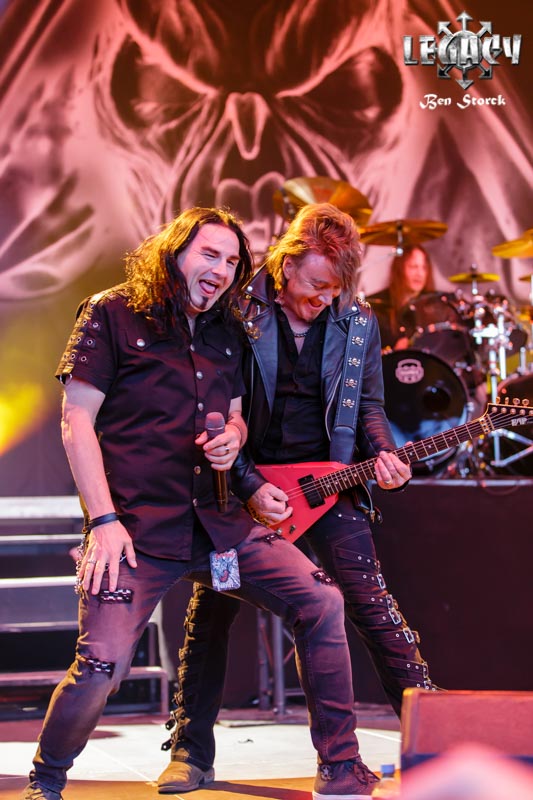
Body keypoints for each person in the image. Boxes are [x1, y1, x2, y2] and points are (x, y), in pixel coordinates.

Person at [23, 207, 396, 800]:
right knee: (101, 667)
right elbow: (76, 421)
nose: (221, 270)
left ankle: (340, 765)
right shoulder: (111, 312)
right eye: (209, 254)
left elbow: (238, 416)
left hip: (220, 525)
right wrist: (104, 521)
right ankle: (46, 778)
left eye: (231, 260)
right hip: (137, 529)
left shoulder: (227, 329)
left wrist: (235, 442)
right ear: (174, 251)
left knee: (322, 600)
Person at [157, 203, 436, 795]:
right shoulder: (237, 310)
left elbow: (369, 406)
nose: (323, 299)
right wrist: (250, 485)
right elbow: (212, 404)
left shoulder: (357, 319)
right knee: (212, 611)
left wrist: (387, 456)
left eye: (334, 289)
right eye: (314, 285)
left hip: (328, 485)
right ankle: (190, 750)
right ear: (285, 266)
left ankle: (435, 742)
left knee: (373, 606)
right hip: (243, 484)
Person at [367, 245, 435, 351]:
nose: (420, 274)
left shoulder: (433, 306)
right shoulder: (376, 306)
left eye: (424, 268)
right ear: (400, 268)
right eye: (413, 267)